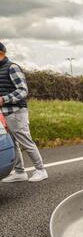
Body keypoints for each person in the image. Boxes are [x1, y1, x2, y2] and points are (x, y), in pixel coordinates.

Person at [0, 42, 48, 183]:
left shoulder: (12, 67)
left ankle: (41, 170)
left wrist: (4, 99)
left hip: (16, 112)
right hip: (4, 113)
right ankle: (20, 172)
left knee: (25, 141)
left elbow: (23, 90)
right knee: (13, 143)